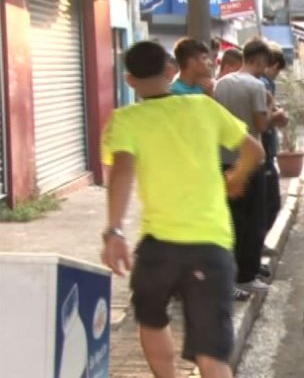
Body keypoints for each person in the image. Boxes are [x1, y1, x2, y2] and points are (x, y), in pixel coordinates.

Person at [100, 41, 265, 378]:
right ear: (170, 70)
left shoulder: (125, 120)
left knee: (150, 317)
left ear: (130, 80)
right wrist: (236, 176)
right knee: (211, 353)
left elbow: (122, 171)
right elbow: (255, 151)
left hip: (158, 246)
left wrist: (114, 230)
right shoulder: (203, 109)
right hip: (211, 245)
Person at [214, 38, 285, 293]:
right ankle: (247, 274)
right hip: (250, 162)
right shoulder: (256, 86)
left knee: (231, 220)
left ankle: (229, 274)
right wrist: (273, 111)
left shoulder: (221, 84)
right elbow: (262, 124)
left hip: (223, 160)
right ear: (262, 61)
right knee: (254, 220)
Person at [261, 46, 288, 235]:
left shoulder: (266, 83)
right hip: (263, 151)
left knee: (268, 204)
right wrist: (277, 113)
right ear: (275, 66)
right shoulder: (263, 84)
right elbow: (263, 119)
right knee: (270, 204)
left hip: (267, 150)